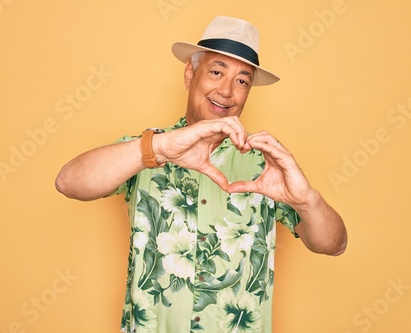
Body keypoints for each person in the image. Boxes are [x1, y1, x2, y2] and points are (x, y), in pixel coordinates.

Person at [56, 16, 347, 333]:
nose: (226, 91)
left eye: (242, 81)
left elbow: (335, 245)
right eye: (217, 72)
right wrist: (162, 148)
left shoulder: (269, 166)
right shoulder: (147, 149)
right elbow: (68, 182)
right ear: (189, 74)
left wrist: (306, 200)